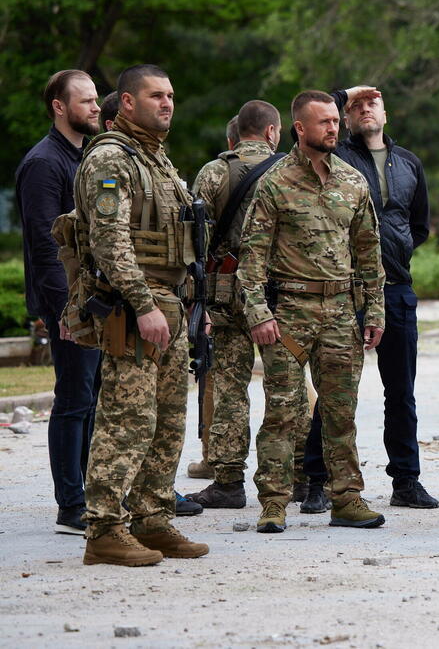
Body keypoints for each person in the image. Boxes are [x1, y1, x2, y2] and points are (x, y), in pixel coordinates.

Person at [76, 64, 209, 565]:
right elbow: (109, 242)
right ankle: (104, 529)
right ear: (127, 103)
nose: (167, 103)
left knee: (168, 421)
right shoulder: (112, 160)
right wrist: (143, 304)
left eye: (171, 95)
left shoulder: (159, 162)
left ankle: (152, 519)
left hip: (172, 306)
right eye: (156, 95)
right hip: (134, 310)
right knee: (127, 418)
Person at [238, 90, 386, 533]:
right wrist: (259, 314)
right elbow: (252, 259)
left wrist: (374, 310)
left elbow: (368, 252)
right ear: (299, 128)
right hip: (290, 311)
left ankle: (347, 498)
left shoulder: (352, 181)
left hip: (341, 310)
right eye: (323, 122)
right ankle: (274, 502)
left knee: (342, 410)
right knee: (283, 410)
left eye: (336, 122)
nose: (334, 129)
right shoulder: (274, 182)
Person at [301, 87, 439, 510]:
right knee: (335, 391)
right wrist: (344, 93)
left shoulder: (409, 162)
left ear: (386, 113)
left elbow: (419, 226)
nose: (364, 110)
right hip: (346, 292)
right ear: (345, 118)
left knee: (401, 392)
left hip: (396, 290)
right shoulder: (334, 156)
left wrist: (392, 254)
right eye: (355, 107)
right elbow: (311, 110)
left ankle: (406, 481)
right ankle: (317, 482)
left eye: (371, 104)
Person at [184, 100, 283, 510]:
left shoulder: (213, 171)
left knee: (229, 387)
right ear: (272, 132)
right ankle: (288, 478)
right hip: (279, 292)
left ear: (237, 131)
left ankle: (228, 482)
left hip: (225, 294)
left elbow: (191, 240)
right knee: (285, 387)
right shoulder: (287, 169)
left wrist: (196, 299)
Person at [15, 70, 102, 535]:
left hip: (91, 298)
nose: (95, 108)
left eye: (95, 100)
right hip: (69, 301)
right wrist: (69, 309)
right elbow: (46, 247)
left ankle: (89, 491)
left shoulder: (85, 155)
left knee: (90, 396)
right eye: (85, 101)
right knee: (73, 397)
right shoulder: (44, 164)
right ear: (58, 106)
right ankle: (71, 506)